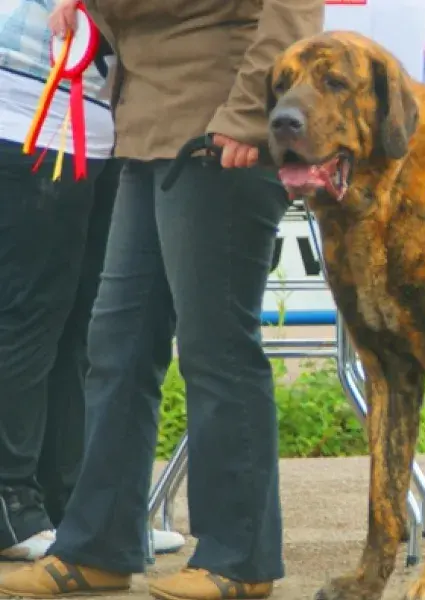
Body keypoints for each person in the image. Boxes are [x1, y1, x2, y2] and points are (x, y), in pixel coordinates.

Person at [0, 0, 323, 598]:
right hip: (147, 128)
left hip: (219, 130)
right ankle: (97, 546)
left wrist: (251, 111)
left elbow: (293, 10)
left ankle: (238, 558)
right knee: (116, 347)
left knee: (216, 348)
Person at [0, 0, 184, 564]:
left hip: (109, 119)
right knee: (30, 315)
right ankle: (12, 504)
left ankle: (79, 508)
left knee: (87, 323)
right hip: (29, 100)